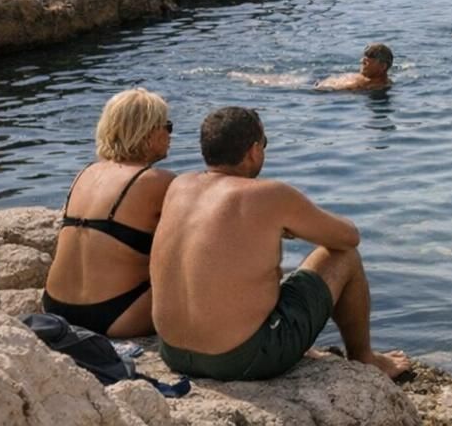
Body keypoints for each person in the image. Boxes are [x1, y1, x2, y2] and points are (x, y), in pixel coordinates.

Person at [151, 107, 409, 381]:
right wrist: (292, 226)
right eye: (264, 143)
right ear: (254, 151)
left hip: (173, 353)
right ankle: (364, 357)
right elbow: (348, 237)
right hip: (239, 361)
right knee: (345, 258)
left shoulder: (179, 186)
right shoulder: (269, 194)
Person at [40, 88, 175, 337]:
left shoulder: (84, 174)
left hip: (55, 306)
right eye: (167, 126)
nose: (170, 134)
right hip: (116, 315)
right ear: (147, 132)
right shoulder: (157, 180)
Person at [316, 43, 393, 91]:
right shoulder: (368, 77)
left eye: (371, 56)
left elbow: (322, 89)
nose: (361, 61)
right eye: (365, 57)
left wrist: (320, 85)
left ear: (383, 66)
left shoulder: (368, 86)